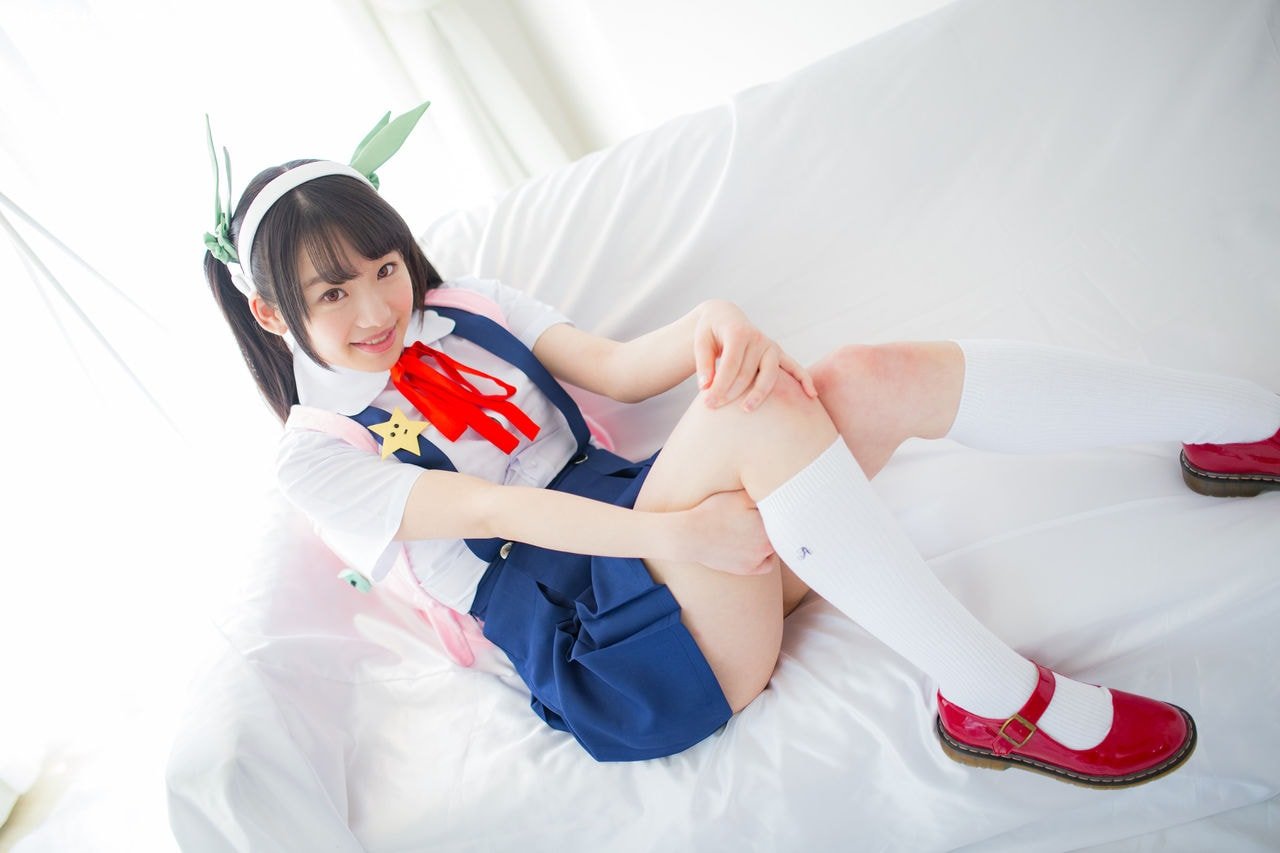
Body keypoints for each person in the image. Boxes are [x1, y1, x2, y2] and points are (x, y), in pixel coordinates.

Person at [202, 105, 1280, 785]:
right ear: (269, 312)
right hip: (611, 647)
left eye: (384, 267)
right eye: (331, 293)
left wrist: (712, 321)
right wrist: (681, 531)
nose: (377, 307)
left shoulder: (464, 308)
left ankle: (1241, 427)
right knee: (752, 413)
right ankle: (997, 700)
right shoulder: (314, 455)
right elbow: (497, 509)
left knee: (865, 374)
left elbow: (617, 366)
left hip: (667, 535)